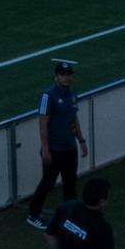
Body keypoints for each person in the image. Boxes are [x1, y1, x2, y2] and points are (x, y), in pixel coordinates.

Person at [26, 61, 88, 227]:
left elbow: (74, 118)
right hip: (54, 148)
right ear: (56, 77)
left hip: (69, 147)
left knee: (70, 182)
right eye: (63, 75)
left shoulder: (72, 93)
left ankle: (70, 216)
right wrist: (46, 149)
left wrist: (81, 141)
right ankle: (33, 214)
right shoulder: (48, 96)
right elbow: (43, 123)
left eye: (69, 75)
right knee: (48, 182)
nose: (67, 78)